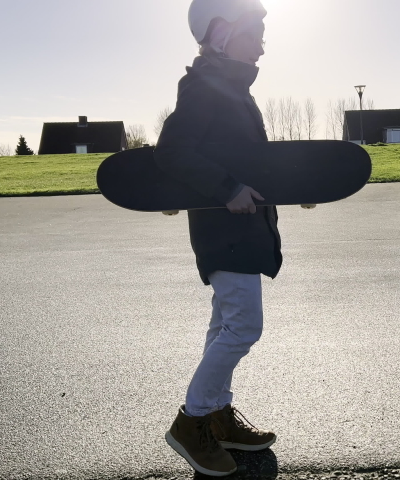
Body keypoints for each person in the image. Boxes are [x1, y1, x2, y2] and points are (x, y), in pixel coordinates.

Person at [153, 0, 280, 476]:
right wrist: (226, 190)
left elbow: (247, 163)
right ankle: (192, 422)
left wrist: (303, 186)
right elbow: (172, 151)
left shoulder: (235, 90)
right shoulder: (204, 86)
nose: (263, 45)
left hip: (242, 228)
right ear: (223, 34)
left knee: (222, 326)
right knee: (244, 326)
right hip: (223, 229)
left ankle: (219, 415)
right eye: (256, 32)